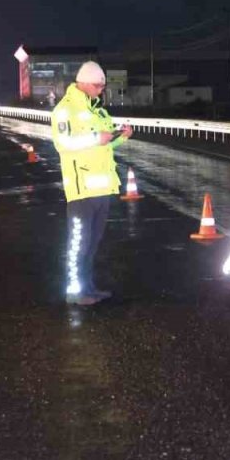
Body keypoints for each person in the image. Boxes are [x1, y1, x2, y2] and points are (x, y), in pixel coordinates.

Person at [51, 61, 133, 306]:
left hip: (102, 189)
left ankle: (89, 288)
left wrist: (120, 138)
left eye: (103, 86)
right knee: (79, 243)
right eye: (98, 85)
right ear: (84, 82)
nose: (101, 90)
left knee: (93, 243)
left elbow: (103, 145)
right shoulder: (65, 110)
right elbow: (63, 144)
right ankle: (74, 292)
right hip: (81, 190)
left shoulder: (98, 111)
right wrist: (95, 137)